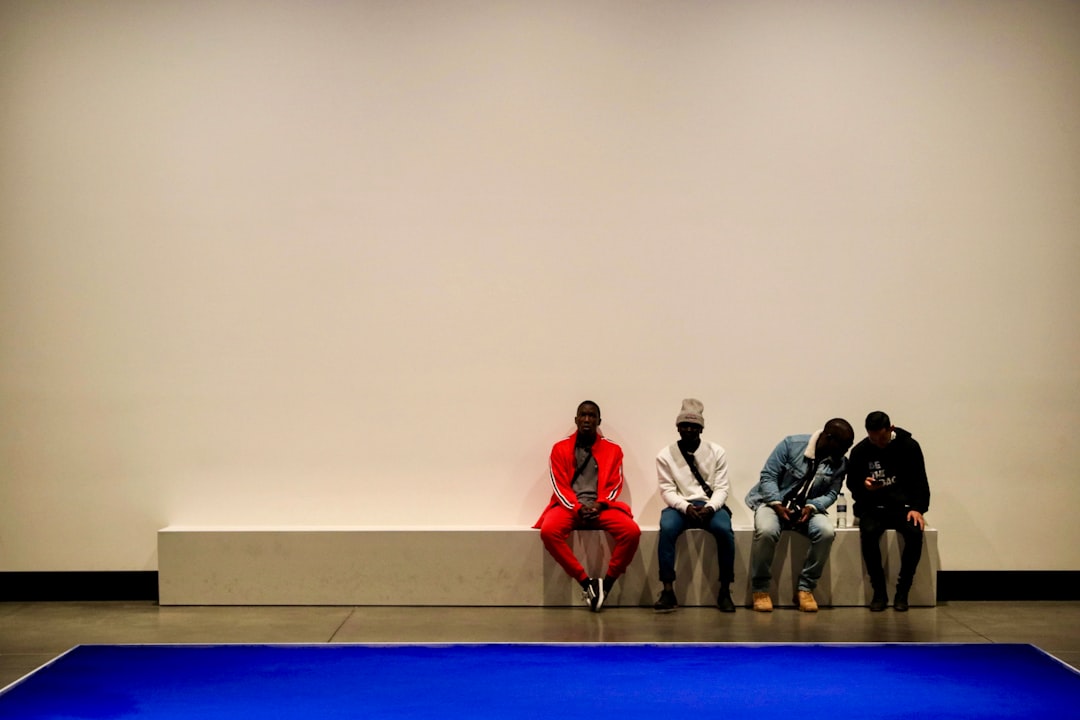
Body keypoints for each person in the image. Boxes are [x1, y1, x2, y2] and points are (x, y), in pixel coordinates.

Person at [534, 400, 641, 612]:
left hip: (601, 507)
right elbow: (559, 485)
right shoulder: (559, 448)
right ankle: (586, 583)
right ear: (576, 419)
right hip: (569, 507)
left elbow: (615, 483)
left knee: (632, 532)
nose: (587, 419)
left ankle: (606, 584)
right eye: (583, 415)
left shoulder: (614, 449)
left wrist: (600, 505)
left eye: (592, 416)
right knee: (548, 530)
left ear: (599, 421)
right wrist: (576, 507)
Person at [745, 418, 854, 612]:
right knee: (767, 531)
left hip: (807, 509)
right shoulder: (791, 444)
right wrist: (777, 504)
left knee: (826, 532)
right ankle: (760, 590)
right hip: (772, 503)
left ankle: (805, 589)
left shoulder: (841, 463)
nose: (846, 451)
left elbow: (831, 493)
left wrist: (812, 507)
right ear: (829, 438)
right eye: (844, 445)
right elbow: (768, 476)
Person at [653, 399, 736, 613]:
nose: (689, 429)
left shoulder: (717, 452)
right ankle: (668, 590)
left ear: (701, 428)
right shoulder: (665, 455)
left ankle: (725, 590)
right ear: (677, 427)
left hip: (710, 505)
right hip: (681, 505)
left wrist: (710, 508)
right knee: (668, 528)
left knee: (725, 530)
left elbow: (722, 488)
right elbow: (667, 490)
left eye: (694, 426)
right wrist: (685, 507)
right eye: (684, 425)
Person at [847, 411, 930, 612]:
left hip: (903, 507)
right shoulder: (860, 451)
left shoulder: (909, 446)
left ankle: (903, 591)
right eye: (872, 438)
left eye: (882, 438)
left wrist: (918, 508)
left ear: (890, 429)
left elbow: (920, 480)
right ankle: (879, 591)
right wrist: (864, 486)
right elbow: (852, 484)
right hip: (873, 507)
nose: (878, 442)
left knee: (914, 532)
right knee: (868, 533)